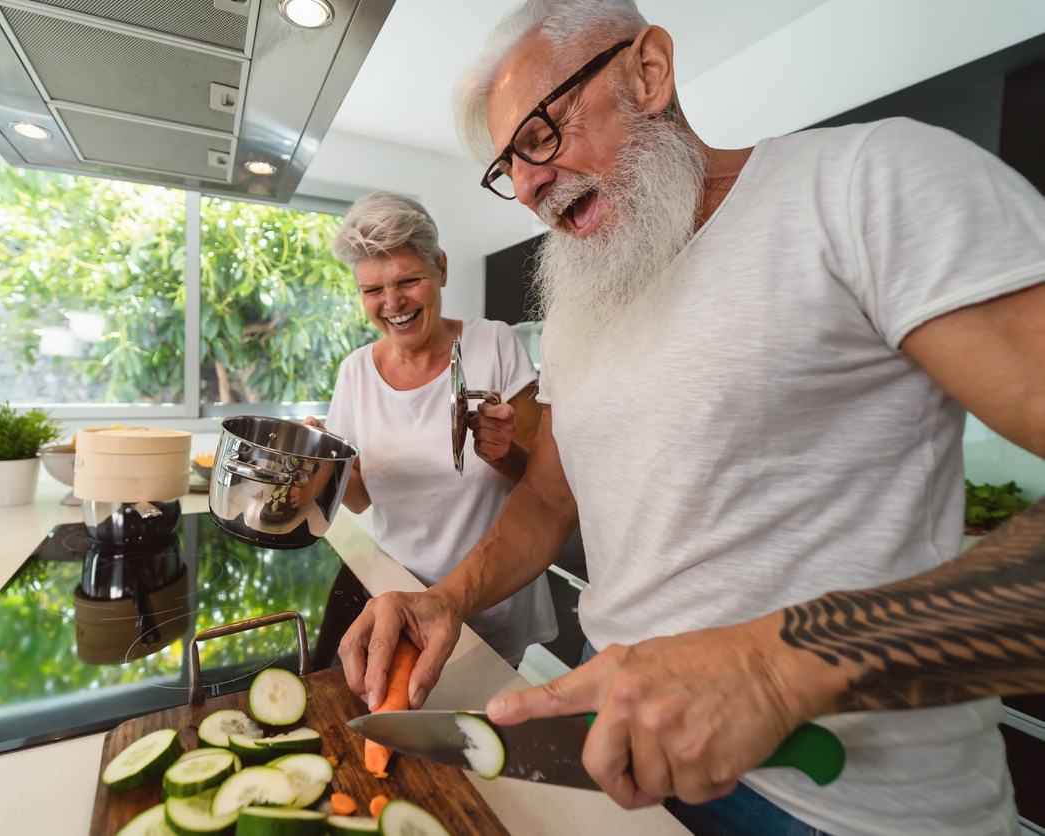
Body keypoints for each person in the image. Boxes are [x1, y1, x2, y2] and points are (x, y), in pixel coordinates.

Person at [336, 1, 1045, 834]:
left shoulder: (871, 182)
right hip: (622, 753)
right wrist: (446, 599)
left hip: (849, 805)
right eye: (507, 166)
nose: (527, 184)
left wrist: (780, 671)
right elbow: (548, 501)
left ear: (649, 71)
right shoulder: (578, 310)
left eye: (540, 134)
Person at [312, 190, 557, 668]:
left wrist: (500, 451)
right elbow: (360, 497)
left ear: (441, 269)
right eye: (372, 290)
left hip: (490, 597)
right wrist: (321, 468)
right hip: (395, 593)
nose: (392, 303)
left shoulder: (494, 344)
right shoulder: (355, 372)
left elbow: (546, 488)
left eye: (409, 280)